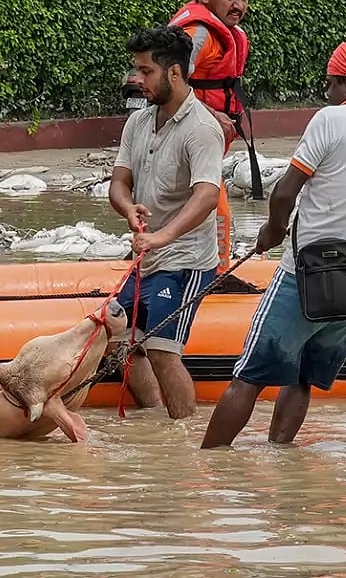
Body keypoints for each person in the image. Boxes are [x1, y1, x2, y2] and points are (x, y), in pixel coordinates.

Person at [201, 38, 346, 449]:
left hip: (305, 273)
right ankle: (280, 457)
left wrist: (273, 231)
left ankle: (206, 468)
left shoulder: (330, 119)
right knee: (303, 378)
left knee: (248, 377)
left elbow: (285, 191)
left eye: (331, 84)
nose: (328, 92)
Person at [108, 25, 225, 420]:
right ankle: (158, 421)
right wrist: (128, 209)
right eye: (136, 70)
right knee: (117, 339)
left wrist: (162, 236)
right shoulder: (138, 123)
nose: (136, 79)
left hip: (187, 262)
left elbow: (207, 196)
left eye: (145, 71)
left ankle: (184, 435)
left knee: (160, 349)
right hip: (148, 258)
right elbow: (119, 183)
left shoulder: (202, 129)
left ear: (174, 72)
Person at [167, 0, 254, 272]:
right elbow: (170, 81)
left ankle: (194, 268)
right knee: (216, 208)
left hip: (199, 141)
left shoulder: (227, 33)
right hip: (185, 138)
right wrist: (210, 116)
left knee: (200, 208)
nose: (239, 6)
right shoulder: (200, 33)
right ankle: (216, 277)